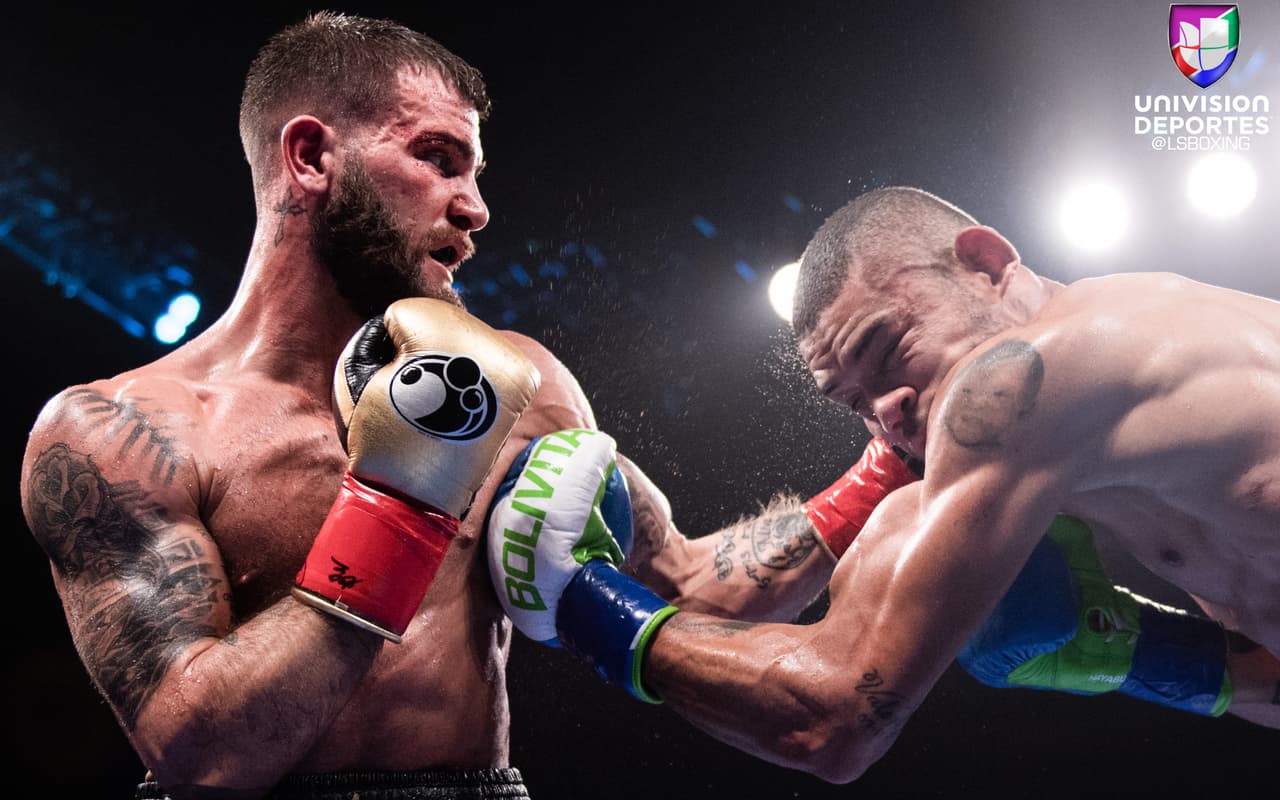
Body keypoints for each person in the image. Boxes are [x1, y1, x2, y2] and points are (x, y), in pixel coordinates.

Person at [485, 185, 1280, 785]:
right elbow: (701, 597)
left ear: (986, 264)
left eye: (888, 346)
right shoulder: (1084, 376)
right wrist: (1144, 655)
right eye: (853, 403)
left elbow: (834, 721)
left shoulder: (1022, 379)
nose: (887, 411)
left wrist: (590, 605)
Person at [18, 11, 608, 799]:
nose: (476, 207)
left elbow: (686, 581)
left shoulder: (515, 380)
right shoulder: (122, 431)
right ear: (311, 156)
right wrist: (407, 502)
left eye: (475, 173)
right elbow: (203, 757)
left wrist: (838, 506)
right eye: (438, 159)